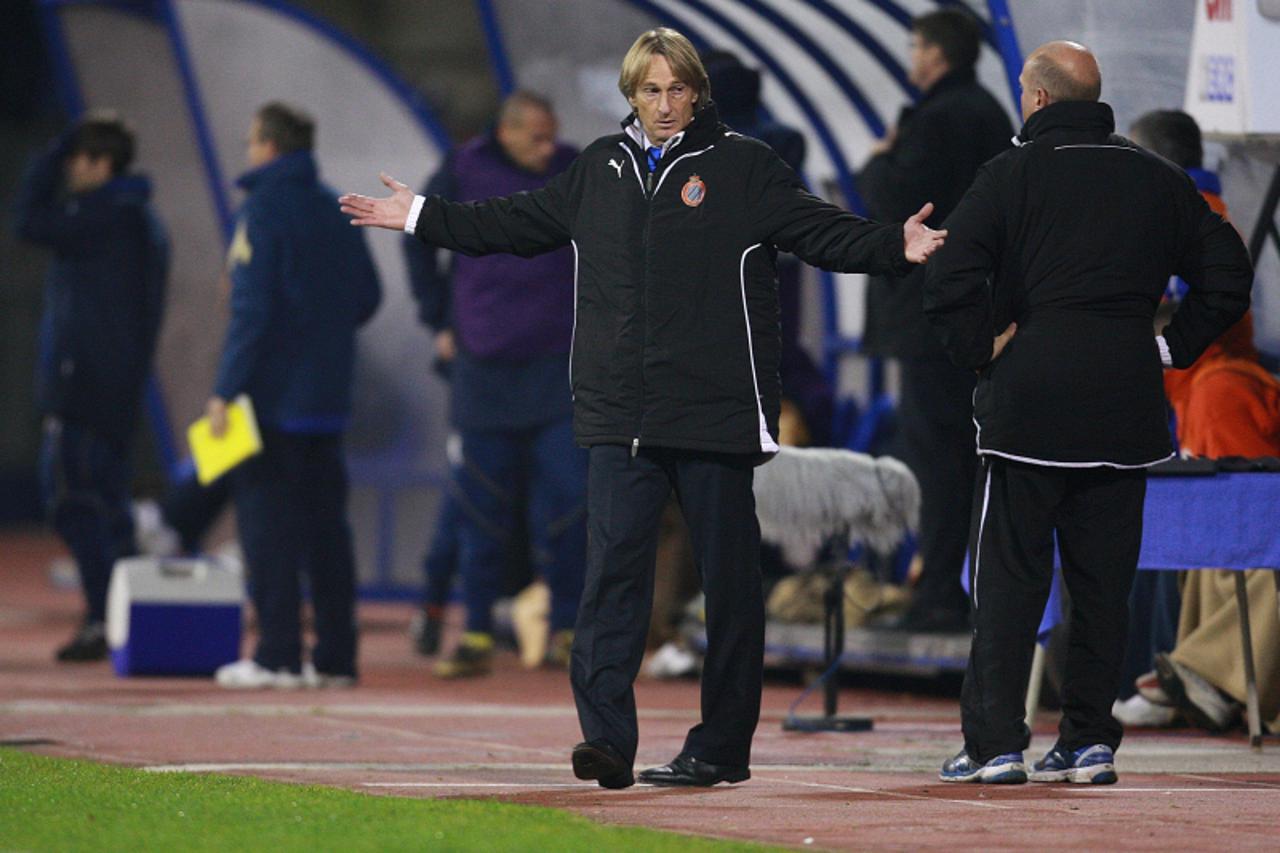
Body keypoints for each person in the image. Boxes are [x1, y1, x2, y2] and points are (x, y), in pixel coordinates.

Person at [341, 27, 945, 788]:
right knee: (610, 580)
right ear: (632, 93)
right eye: (651, 90)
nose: (664, 105)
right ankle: (607, 741)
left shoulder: (745, 166)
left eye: (678, 90)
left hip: (717, 411)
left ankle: (720, 746)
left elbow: (822, 231)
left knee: (728, 587)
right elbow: (512, 224)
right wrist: (424, 216)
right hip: (620, 414)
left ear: (698, 92)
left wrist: (895, 243)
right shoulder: (599, 168)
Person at [924, 41, 1252, 784]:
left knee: (1010, 582)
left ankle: (996, 744)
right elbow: (1228, 275)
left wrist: (982, 347)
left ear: (1037, 99)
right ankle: (1088, 740)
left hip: (1029, 409)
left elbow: (949, 273)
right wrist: (1171, 350)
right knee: (1104, 587)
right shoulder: (1159, 180)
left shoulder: (1008, 175)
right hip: (1124, 410)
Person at [402, 91, 586, 678]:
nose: (547, 146)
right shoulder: (462, 168)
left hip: (558, 369)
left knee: (573, 502)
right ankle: (476, 629)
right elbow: (417, 233)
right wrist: (438, 319)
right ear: (504, 132)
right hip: (483, 369)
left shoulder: (574, 167)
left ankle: (568, 629)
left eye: (551, 134)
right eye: (536, 136)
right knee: (479, 508)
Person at [211, 102, 381, 689]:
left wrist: (225, 389)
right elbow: (367, 296)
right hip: (327, 398)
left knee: (267, 529)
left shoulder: (261, 209)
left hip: (272, 399)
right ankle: (336, 659)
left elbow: (251, 310)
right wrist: (322, 337)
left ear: (268, 146)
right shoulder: (335, 208)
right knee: (328, 530)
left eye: (252, 140)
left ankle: (277, 655)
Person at [858, 8, 1014, 633]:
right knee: (970, 456)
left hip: (931, 319)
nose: (910, 55)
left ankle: (940, 597)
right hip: (976, 310)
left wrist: (877, 161)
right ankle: (974, 593)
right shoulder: (989, 113)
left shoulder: (939, 119)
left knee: (938, 459)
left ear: (935, 55)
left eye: (916, 44)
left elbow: (900, 204)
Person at [14, 112, 169, 662]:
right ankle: (126, 617)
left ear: (100, 164)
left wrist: (55, 145)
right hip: (118, 388)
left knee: (74, 501)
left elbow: (28, 219)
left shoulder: (102, 215)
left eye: (77, 161)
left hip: (83, 388)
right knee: (107, 507)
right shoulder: (141, 218)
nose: (70, 171)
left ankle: (105, 616)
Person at [1155, 310, 1280, 731]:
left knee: (1246, 555)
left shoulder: (1219, 388)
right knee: (1206, 547)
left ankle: (1207, 675)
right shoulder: (1194, 390)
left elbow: (1255, 502)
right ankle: (1203, 676)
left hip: (1265, 532)